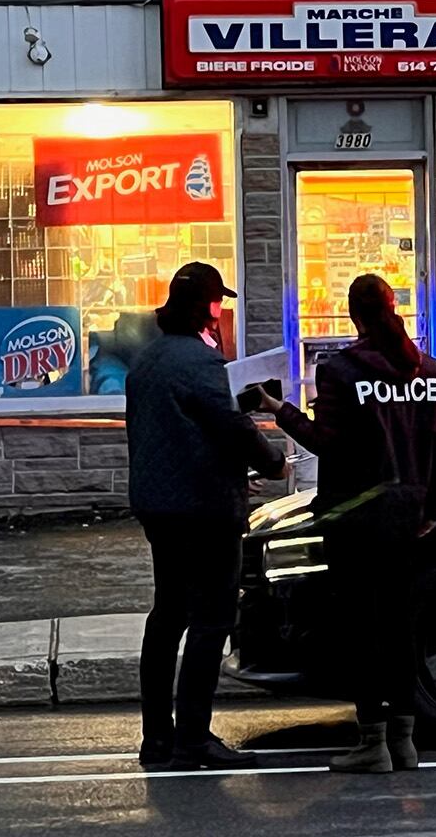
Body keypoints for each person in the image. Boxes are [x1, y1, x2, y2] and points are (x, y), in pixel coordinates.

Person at [255, 274, 436, 774]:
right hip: (407, 516)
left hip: (355, 518)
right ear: (393, 307)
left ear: (353, 315)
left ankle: (372, 742)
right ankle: (405, 742)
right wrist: (432, 508)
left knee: (363, 628)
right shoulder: (428, 371)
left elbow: (328, 443)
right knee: (401, 626)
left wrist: (280, 411)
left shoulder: (340, 372)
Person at [127, 262, 287, 771]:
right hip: (205, 512)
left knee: (167, 617)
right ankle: (193, 739)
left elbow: (179, 435)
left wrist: (231, 471)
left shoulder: (147, 360)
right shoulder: (201, 361)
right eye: (219, 303)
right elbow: (231, 426)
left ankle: (157, 739)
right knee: (212, 619)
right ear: (207, 308)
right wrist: (274, 463)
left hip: (160, 507)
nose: (221, 313)